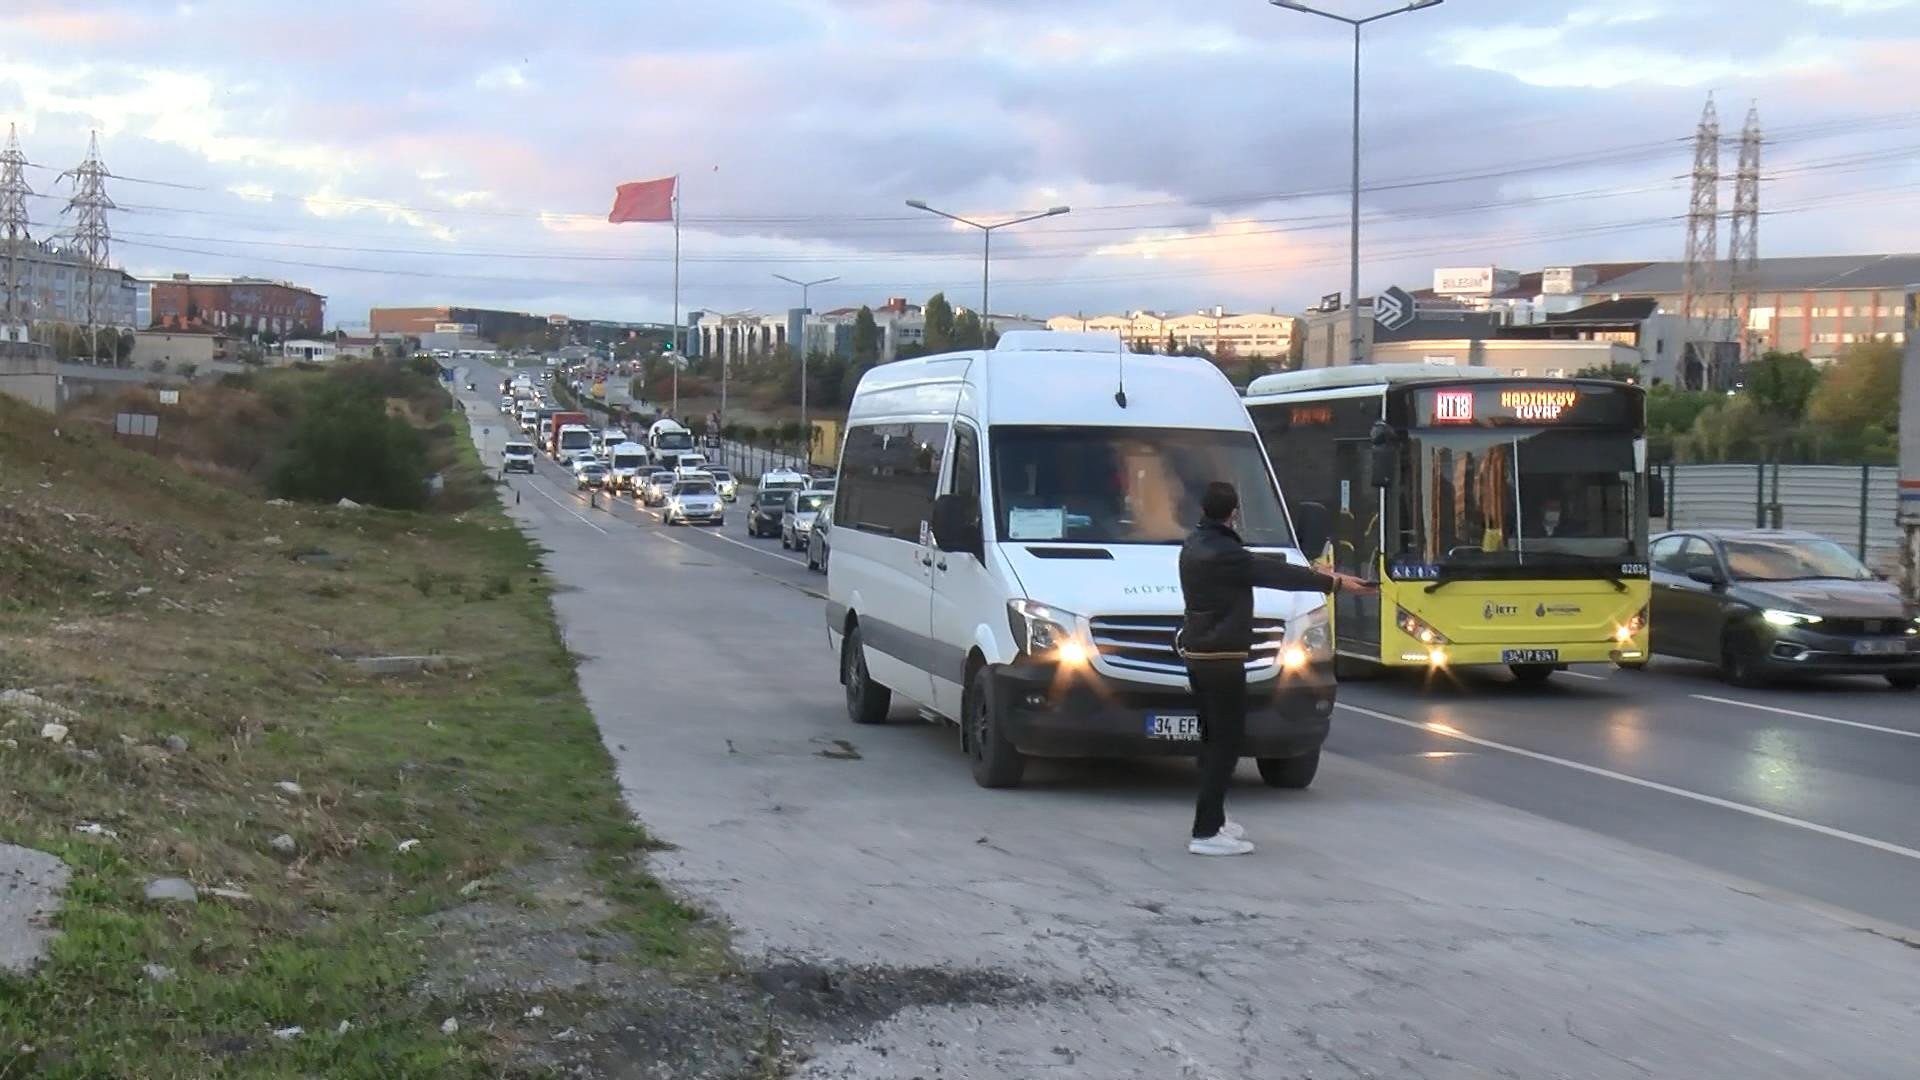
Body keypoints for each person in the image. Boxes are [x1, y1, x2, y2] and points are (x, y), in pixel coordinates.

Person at [1178, 482, 1375, 856]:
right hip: (1223, 659)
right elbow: (1277, 575)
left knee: (1211, 742)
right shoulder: (1225, 553)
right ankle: (1205, 832)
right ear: (1234, 512)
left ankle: (1215, 819)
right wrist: (1335, 583)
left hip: (1200, 656)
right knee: (1226, 743)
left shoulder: (1194, 545)